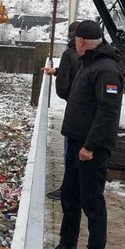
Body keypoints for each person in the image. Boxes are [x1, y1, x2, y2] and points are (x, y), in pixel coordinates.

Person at [44, 20, 124, 249]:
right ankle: (67, 244)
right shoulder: (89, 64)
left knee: (92, 202)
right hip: (77, 142)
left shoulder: (106, 69)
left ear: (79, 42)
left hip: (92, 148)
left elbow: (108, 110)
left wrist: (90, 145)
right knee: (70, 197)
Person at [42, 21, 82, 201]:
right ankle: (79, 188)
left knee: (69, 153)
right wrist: (57, 70)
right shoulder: (91, 55)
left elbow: (64, 84)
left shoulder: (69, 54)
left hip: (75, 110)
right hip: (88, 111)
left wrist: (68, 97)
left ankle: (67, 189)